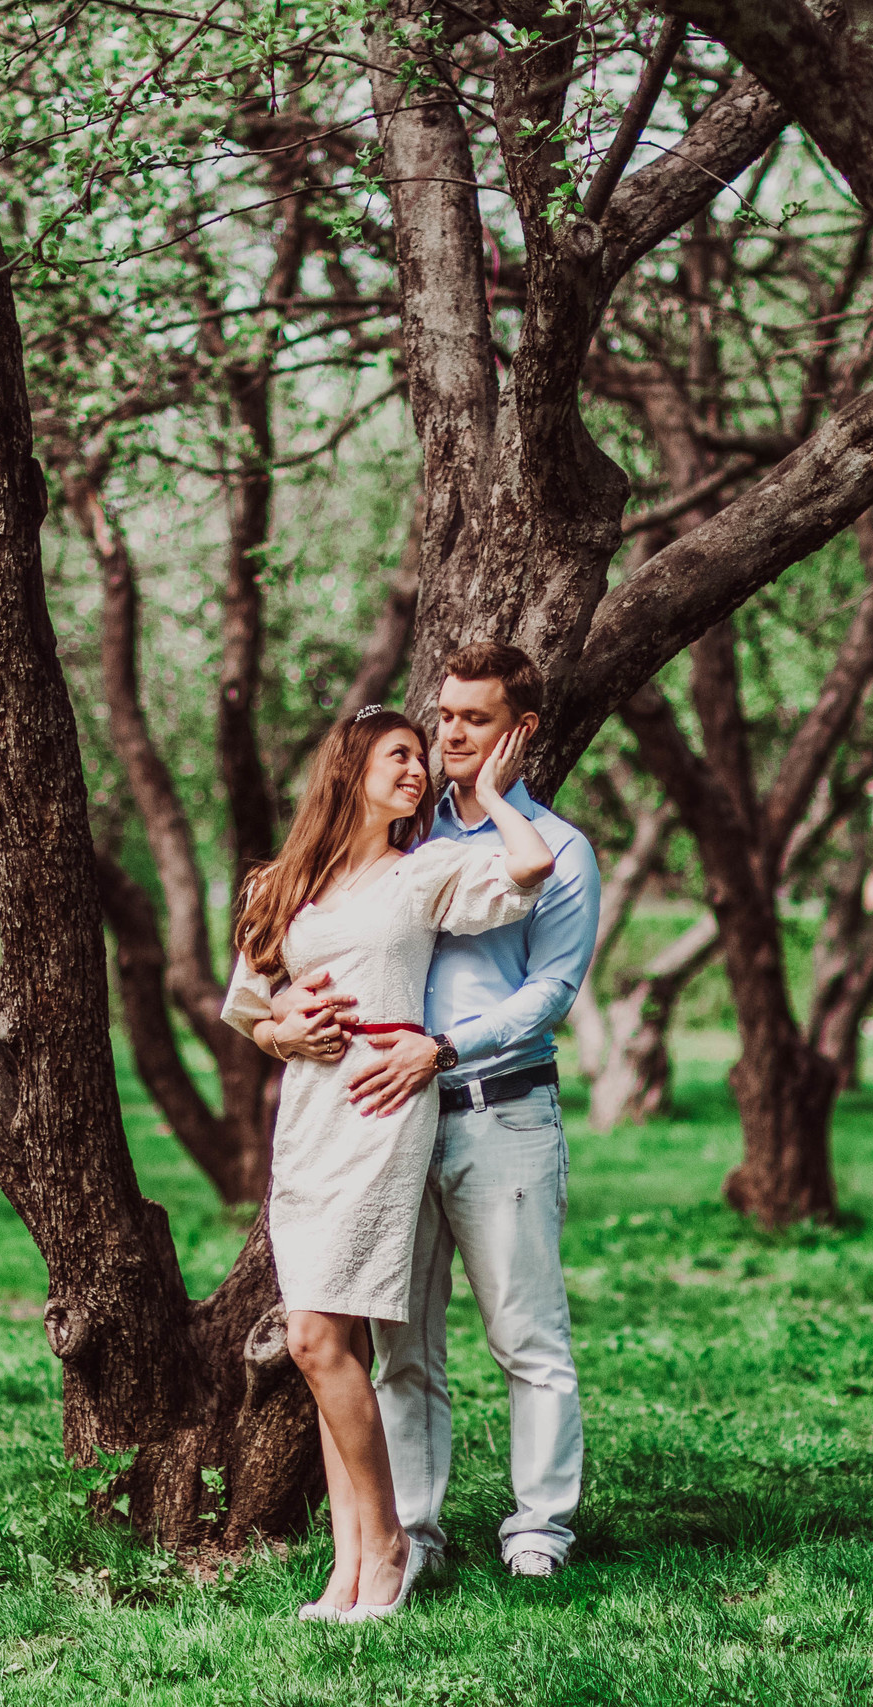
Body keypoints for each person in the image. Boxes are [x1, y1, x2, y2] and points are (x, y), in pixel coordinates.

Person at [266, 642, 603, 1581]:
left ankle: (539, 1530)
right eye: (444, 716)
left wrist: (444, 1049)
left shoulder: (561, 851)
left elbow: (551, 992)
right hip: (388, 1123)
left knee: (525, 1334)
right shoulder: (406, 845)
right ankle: (408, 1535)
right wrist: (287, 1021)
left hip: (500, 1113)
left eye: (474, 719)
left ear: (518, 732)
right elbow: (299, 953)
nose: (450, 734)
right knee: (401, 1343)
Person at [222, 704, 554, 1622]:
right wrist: (288, 1028)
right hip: (310, 1116)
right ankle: (350, 1564)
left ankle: (389, 1541)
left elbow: (528, 867)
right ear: (350, 768)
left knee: (315, 1337)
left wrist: (487, 791)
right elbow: (249, 1008)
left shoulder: (425, 874)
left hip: (383, 1107)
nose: (417, 771)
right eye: (399, 756)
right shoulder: (279, 886)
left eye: (421, 758)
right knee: (333, 1346)